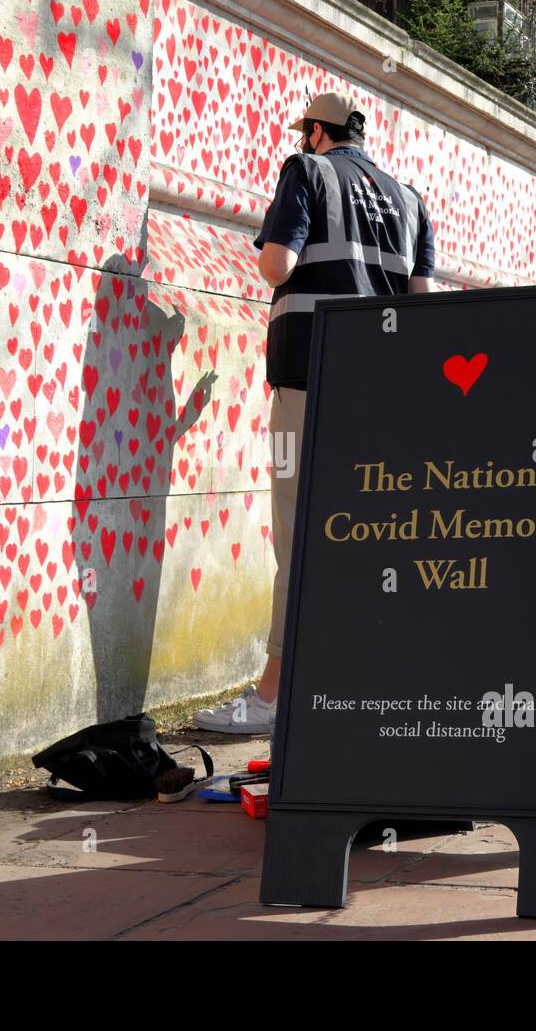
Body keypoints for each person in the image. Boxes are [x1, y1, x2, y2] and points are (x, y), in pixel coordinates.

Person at [193, 91, 438, 733]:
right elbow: (425, 308)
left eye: (307, 131)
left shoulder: (306, 171)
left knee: (298, 534)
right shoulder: (411, 200)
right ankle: (357, 683)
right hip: (382, 394)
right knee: (364, 535)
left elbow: (278, 264)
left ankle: (274, 697)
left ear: (316, 133)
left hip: (305, 382)